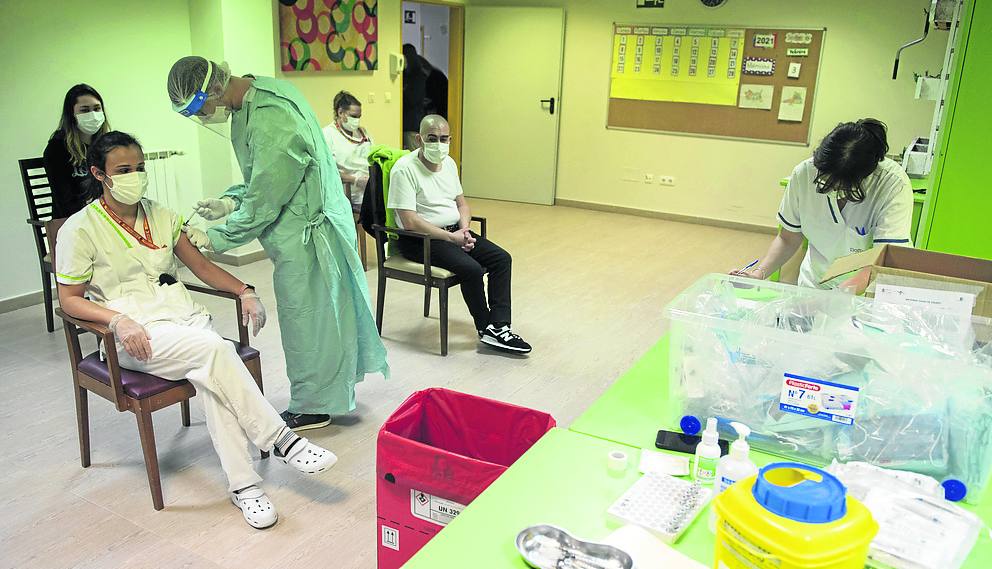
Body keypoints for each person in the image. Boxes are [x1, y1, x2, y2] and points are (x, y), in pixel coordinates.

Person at [55, 131, 338, 529]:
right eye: (123, 170)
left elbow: (201, 267)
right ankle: (281, 439)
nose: (135, 176)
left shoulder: (162, 215)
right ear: (99, 174)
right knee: (213, 351)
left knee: (211, 373)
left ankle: (246, 488)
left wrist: (245, 290)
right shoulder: (80, 229)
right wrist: (118, 320)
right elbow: (69, 300)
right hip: (134, 336)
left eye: (139, 168)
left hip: (184, 324)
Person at [166, 57, 388, 432]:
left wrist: (216, 236)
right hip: (300, 223)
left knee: (307, 321)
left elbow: (268, 195)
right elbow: (264, 176)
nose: (203, 118)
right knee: (323, 318)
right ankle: (327, 392)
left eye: (199, 108)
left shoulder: (269, 112)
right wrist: (230, 200)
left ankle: (313, 405)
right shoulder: (256, 96)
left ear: (215, 89)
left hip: (306, 234)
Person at [388, 115, 532, 354]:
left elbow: (462, 204)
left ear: (450, 139)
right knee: (472, 269)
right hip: (420, 240)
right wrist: (451, 238)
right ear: (419, 139)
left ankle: (500, 326)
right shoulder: (404, 170)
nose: (438, 144)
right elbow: (409, 221)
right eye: (431, 138)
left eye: (444, 139)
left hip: (455, 231)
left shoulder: (450, 164)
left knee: (501, 259)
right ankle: (485, 328)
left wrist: (463, 230)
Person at [732, 119, 913, 289]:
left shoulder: (892, 185)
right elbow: (788, 238)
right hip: (815, 282)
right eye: (825, 178)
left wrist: (836, 298)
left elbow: (884, 260)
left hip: (865, 290)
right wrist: (758, 274)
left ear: (864, 177)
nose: (830, 187)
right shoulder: (805, 173)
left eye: (839, 184)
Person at [43, 84, 112, 218]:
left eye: (97, 108)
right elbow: (65, 202)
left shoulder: (106, 144)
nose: (93, 115)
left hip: (105, 215)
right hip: (74, 220)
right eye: (84, 110)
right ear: (72, 115)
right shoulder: (56, 148)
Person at [322, 90, 373, 209]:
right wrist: (355, 179)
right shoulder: (327, 135)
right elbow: (326, 172)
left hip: (370, 189)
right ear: (340, 112)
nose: (357, 120)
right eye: (353, 116)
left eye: (359, 116)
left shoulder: (363, 133)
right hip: (347, 193)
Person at [402, 44, 428, 150]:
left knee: (414, 154)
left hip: (413, 124)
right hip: (405, 123)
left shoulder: (418, 76)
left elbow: (413, 99)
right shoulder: (404, 75)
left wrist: (403, 91)